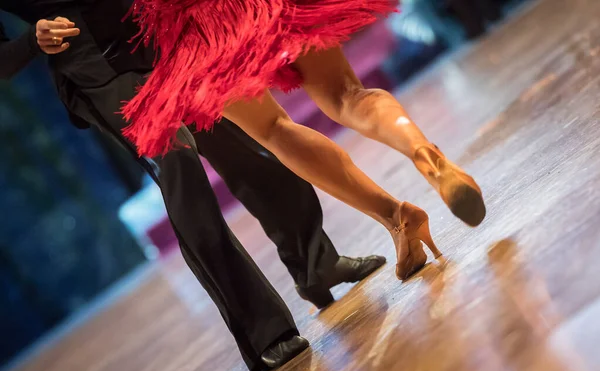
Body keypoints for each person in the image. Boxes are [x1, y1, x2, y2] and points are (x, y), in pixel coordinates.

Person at [0, 1, 387, 371]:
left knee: (247, 146)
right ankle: (264, 332)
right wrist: (33, 39)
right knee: (180, 167)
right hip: (97, 70)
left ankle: (316, 262)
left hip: (162, 40)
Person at [123, 0, 486, 274]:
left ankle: (395, 217)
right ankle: (424, 154)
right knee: (346, 95)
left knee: (273, 130)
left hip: (196, 21)